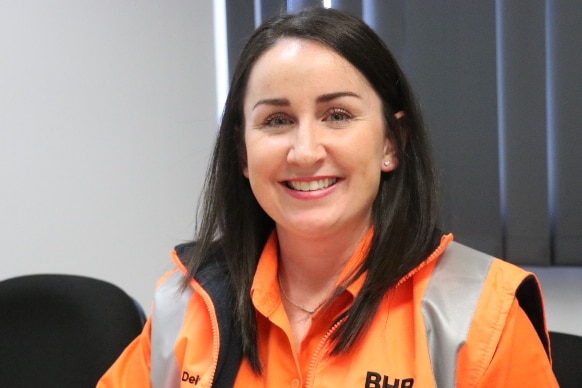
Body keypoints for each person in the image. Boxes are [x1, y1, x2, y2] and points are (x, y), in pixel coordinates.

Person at [98, 7, 558, 387]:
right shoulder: (187, 303)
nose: (305, 152)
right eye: (277, 120)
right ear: (242, 152)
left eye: (337, 115)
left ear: (390, 143)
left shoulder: (481, 312)